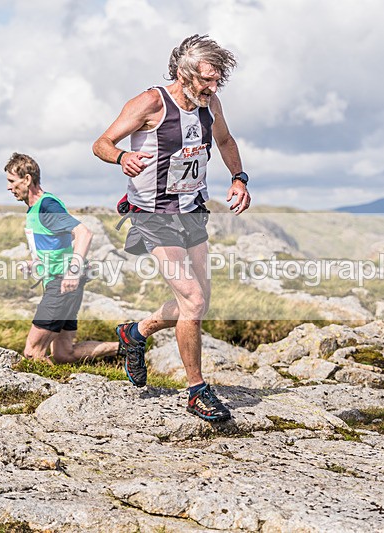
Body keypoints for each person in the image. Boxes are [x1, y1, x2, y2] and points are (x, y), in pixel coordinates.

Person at [92, 35, 251, 422]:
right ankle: (197, 391)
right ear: (183, 73)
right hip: (154, 213)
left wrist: (239, 178)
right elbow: (101, 143)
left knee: (198, 300)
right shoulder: (150, 103)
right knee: (193, 300)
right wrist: (123, 156)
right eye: (206, 81)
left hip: (192, 209)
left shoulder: (210, 103)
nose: (212, 90)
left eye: (217, 82)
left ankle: (135, 333)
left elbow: (225, 139)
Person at [4, 152, 119, 364]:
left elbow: (84, 233)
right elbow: (59, 242)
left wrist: (72, 272)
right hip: (62, 280)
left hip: (62, 283)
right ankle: (126, 347)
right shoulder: (37, 208)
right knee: (63, 354)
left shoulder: (47, 207)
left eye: (12, 181)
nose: (9, 187)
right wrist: (36, 263)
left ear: (27, 179)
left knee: (32, 352)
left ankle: (47, 393)